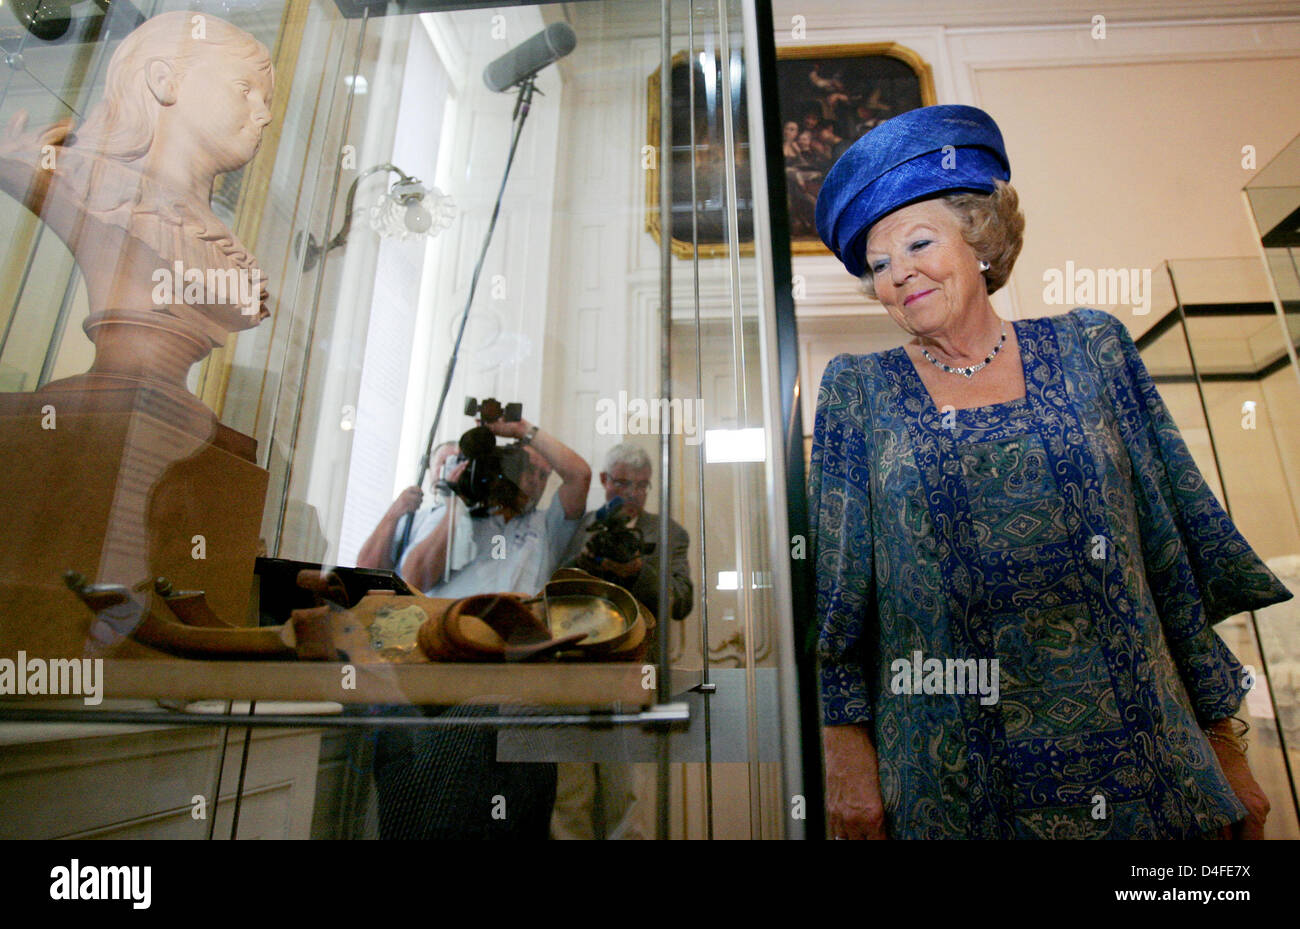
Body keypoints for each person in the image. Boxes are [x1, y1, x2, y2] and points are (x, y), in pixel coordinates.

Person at [810, 104, 1292, 839]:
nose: (899, 272)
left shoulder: (1092, 346)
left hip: (1145, 759)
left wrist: (1225, 745)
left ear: (980, 241)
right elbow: (836, 602)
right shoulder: (857, 388)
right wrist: (846, 757)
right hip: (951, 775)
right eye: (879, 264)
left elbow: (1171, 556)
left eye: (917, 241)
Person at [370, 417, 591, 840]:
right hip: (440, 671)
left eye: (544, 474)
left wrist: (521, 430)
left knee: (506, 802)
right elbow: (414, 579)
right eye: (527, 469)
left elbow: (578, 474)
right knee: (417, 791)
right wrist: (460, 501)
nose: (536, 481)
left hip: (512, 679)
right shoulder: (460, 515)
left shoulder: (546, 527)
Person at [551, 442, 692, 840]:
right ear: (604, 480)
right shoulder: (578, 526)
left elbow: (682, 600)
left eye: (642, 486)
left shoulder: (668, 533)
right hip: (572, 670)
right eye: (624, 484)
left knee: (626, 793)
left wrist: (637, 570)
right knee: (569, 794)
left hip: (631, 670)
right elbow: (551, 588)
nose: (632, 494)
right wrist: (583, 562)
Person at [354, 440, 458, 573]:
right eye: (442, 463)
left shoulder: (472, 515)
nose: (447, 470)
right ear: (431, 469)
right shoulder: (412, 518)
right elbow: (367, 566)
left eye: (454, 462)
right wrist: (392, 515)